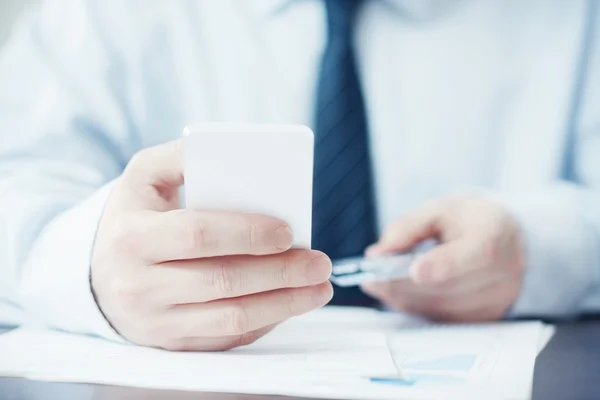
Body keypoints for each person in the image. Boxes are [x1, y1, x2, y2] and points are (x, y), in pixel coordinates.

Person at [0, 0, 599, 351]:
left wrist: (539, 248)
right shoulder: (97, 16)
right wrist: (91, 264)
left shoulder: (575, 18)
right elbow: (16, 179)